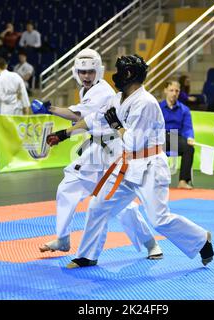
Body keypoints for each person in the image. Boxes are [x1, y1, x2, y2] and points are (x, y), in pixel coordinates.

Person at [46, 54, 214, 269]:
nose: (115, 76)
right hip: (126, 165)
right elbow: (95, 118)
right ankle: (87, 255)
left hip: (150, 166)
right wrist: (64, 134)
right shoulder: (118, 98)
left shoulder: (146, 103)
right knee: (98, 206)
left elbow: (134, 141)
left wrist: (116, 125)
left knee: (159, 219)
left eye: (120, 71)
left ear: (129, 74)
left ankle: (202, 239)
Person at [33, 49, 163, 259]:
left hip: (112, 151)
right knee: (69, 186)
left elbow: (78, 115)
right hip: (96, 149)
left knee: (120, 205)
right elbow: (90, 120)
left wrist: (51, 108)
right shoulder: (87, 91)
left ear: (99, 72)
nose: (86, 76)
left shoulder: (102, 91)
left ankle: (150, 244)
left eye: (91, 72)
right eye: (82, 72)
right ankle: (64, 238)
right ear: (76, 72)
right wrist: (64, 134)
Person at [159, 81, 195, 189]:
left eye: (177, 91)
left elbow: (188, 127)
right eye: (171, 90)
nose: (174, 93)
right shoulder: (158, 107)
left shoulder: (184, 109)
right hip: (162, 136)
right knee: (153, 148)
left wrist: (190, 137)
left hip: (176, 137)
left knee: (189, 148)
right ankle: (156, 180)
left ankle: (183, 181)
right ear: (165, 90)